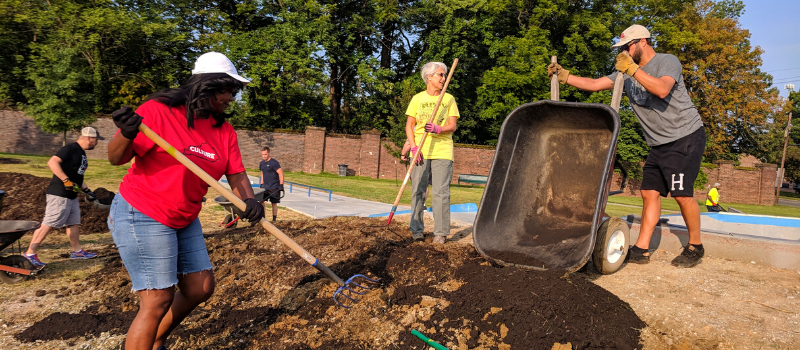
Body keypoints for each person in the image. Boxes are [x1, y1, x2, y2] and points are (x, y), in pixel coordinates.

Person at [107, 52, 264, 350]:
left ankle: (155, 340)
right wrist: (126, 133)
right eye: (228, 90)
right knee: (157, 298)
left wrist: (249, 199)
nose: (232, 97)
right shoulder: (158, 112)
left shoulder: (223, 130)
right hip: (143, 212)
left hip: (185, 215)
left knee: (200, 287)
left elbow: (236, 172)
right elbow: (115, 158)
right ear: (208, 86)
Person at [549, 24, 706, 267]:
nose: (623, 51)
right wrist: (565, 76)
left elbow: (662, 89)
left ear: (643, 41)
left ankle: (696, 246)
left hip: (684, 136)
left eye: (627, 46)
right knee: (649, 193)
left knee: (682, 195)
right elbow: (594, 83)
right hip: (658, 143)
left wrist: (633, 69)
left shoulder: (667, 61)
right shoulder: (625, 74)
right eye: (621, 48)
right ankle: (641, 249)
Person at [24, 127, 101, 267]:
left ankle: (77, 251)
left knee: (73, 222)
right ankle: (29, 254)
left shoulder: (81, 152)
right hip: (59, 193)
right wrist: (66, 180)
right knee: (49, 223)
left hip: (71, 196)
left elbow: (76, 176)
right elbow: (52, 162)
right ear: (89, 137)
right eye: (96, 140)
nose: (97, 143)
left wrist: (86, 190)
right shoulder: (70, 148)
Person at [405, 61, 460, 244]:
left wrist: (438, 129)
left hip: (442, 150)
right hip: (420, 149)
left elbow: (452, 126)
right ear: (429, 77)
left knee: (441, 192)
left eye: (444, 75)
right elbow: (409, 126)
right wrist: (414, 147)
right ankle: (416, 230)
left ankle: (441, 233)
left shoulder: (448, 99)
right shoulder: (417, 99)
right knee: (417, 191)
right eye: (440, 74)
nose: (443, 78)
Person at [400, 139, 432, 210]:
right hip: (432, 157)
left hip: (419, 158)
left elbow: (408, 143)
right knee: (425, 184)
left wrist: (403, 154)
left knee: (417, 183)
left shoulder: (414, 132)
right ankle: (422, 203)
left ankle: (418, 204)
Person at [259, 146, 284, 221]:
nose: (264, 156)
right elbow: (262, 173)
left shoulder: (274, 163)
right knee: (261, 202)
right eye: (263, 154)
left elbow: (281, 173)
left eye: (265, 154)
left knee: (274, 203)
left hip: (274, 187)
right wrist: (261, 184)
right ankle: (263, 218)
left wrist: (281, 185)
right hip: (265, 187)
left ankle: (274, 219)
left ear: (269, 153)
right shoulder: (262, 163)